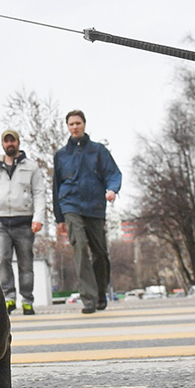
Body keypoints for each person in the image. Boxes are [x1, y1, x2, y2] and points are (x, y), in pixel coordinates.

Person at [53, 110, 121, 314]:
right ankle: (89, 299)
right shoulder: (61, 155)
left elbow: (114, 173)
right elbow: (56, 187)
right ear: (67, 127)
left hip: (95, 206)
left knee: (100, 253)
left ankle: (100, 294)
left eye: (78, 123)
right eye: (71, 124)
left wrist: (112, 189)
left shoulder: (98, 151)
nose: (75, 127)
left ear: (84, 124)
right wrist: (59, 219)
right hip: (71, 205)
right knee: (80, 247)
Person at [0, 129, 47, 315]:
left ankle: (27, 300)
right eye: (6, 141)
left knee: (26, 263)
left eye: (13, 141)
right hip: (1, 221)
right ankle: (8, 298)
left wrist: (38, 218)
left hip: (24, 221)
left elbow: (40, 193)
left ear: (18, 142)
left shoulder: (31, 166)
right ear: (2, 144)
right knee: (2, 259)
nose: (10, 144)